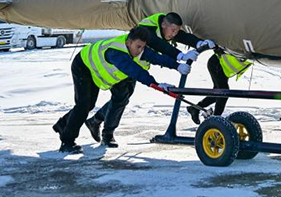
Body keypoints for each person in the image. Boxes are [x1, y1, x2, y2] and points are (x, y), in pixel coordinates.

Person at [80, 11, 215, 146]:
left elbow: (182, 37)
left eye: (175, 31)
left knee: (121, 99)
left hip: (136, 69)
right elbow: (160, 47)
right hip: (128, 67)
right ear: (163, 25)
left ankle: (96, 121)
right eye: (172, 31)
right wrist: (179, 57)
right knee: (120, 98)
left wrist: (198, 43)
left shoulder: (166, 27)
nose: (173, 35)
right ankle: (106, 134)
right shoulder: (147, 30)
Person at [52, 25, 193, 153]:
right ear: (128, 42)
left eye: (143, 47)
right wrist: (154, 83)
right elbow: (133, 70)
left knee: (115, 99)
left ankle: (64, 125)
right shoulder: (116, 53)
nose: (140, 51)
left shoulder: (137, 47)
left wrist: (177, 66)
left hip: (97, 71)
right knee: (84, 105)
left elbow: (156, 57)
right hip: (84, 66)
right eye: (138, 47)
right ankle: (67, 142)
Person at [187, 49, 252, 124]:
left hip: (221, 65)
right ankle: (216, 121)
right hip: (217, 64)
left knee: (218, 93)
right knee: (223, 93)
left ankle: (195, 108)